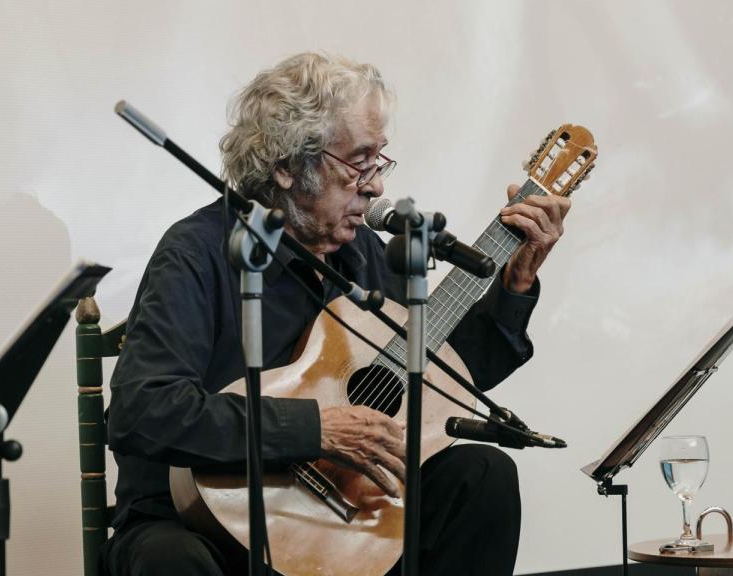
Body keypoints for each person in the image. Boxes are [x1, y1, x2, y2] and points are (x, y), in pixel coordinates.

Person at [102, 52, 570, 576]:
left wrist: (517, 279)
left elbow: (444, 382)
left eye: (379, 161)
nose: (375, 187)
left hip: (340, 518)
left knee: (483, 473)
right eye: (357, 162)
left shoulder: (364, 253)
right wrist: (313, 430)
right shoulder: (197, 253)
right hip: (200, 523)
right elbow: (142, 412)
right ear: (285, 166)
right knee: (172, 562)